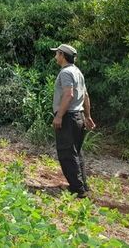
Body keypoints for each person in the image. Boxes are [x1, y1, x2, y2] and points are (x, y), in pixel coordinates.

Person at [51, 43, 96, 198]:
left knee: (67, 154)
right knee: (76, 153)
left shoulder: (66, 73)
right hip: (79, 116)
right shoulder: (78, 72)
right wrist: (88, 116)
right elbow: (86, 95)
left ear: (62, 55)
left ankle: (78, 190)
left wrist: (59, 116)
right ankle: (82, 185)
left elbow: (68, 95)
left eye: (57, 53)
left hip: (69, 118)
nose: (55, 56)